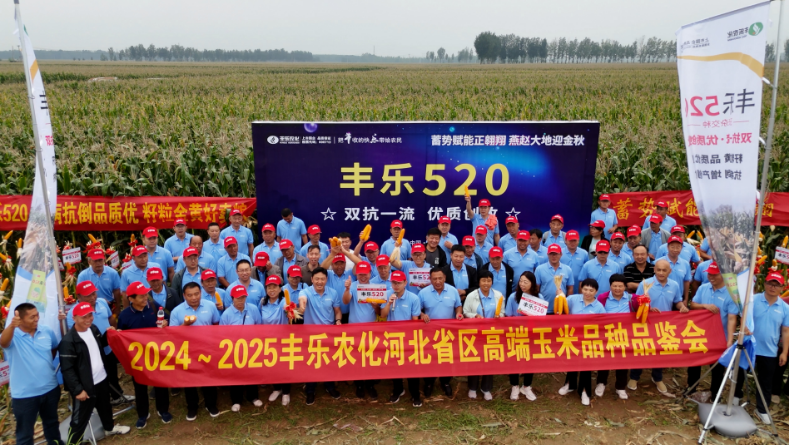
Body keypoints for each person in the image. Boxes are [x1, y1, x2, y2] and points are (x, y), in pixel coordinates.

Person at [60, 303, 130, 443]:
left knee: (105, 407)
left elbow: (101, 343)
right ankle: (73, 442)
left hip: (101, 379)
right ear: (74, 318)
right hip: (85, 386)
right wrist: (78, 389)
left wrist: (109, 334)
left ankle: (109, 428)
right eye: (84, 317)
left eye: (90, 315)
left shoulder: (93, 329)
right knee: (80, 418)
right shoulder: (68, 341)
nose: (88, 319)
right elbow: (67, 369)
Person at [1, 303, 63, 445]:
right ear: (21, 319)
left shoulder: (46, 331)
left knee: (52, 424)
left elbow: (53, 348)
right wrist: (11, 326)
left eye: (37, 315)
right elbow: (3, 343)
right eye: (32, 317)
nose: (37, 319)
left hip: (50, 389)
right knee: (25, 434)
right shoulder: (12, 336)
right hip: (25, 395)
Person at [67, 281, 134, 405]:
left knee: (112, 372)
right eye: (88, 295)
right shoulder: (73, 313)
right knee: (96, 377)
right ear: (79, 297)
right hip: (91, 353)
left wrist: (114, 332)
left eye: (94, 293)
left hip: (108, 348)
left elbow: (110, 318)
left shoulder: (102, 302)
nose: (92, 297)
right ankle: (97, 402)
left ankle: (117, 396)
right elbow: (75, 335)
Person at [628, 259, 688, 396]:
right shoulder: (645, 284)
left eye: (664, 270)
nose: (661, 273)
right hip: (645, 323)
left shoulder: (674, 285)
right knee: (642, 349)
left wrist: (682, 307)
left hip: (664, 325)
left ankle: (657, 377)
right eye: (658, 270)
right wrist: (647, 308)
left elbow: (677, 301)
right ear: (654, 269)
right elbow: (636, 303)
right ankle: (634, 377)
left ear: (669, 271)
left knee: (660, 351)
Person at [117, 282, 172, 429]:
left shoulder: (154, 307)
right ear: (131, 299)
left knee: (160, 383)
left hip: (156, 353)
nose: (145, 298)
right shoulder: (124, 316)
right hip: (137, 357)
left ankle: (163, 410)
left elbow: (168, 319)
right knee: (139, 386)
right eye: (141, 296)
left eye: (145, 294)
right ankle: (143, 414)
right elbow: (121, 335)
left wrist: (166, 322)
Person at [686, 263, 739, 397]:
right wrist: (705, 306)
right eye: (709, 274)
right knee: (694, 363)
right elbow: (693, 305)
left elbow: (732, 318)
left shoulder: (731, 294)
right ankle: (691, 388)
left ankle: (715, 394)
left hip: (719, 336)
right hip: (700, 334)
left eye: (715, 275)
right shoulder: (703, 288)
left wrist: (729, 340)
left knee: (717, 367)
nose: (711, 277)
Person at [170, 282, 221, 420]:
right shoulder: (177, 311)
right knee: (189, 380)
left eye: (196, 294)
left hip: (207, 348)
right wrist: (185, 325)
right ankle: (192, 407)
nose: (194, 298)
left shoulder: (210, 306)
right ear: (184, 295)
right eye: (190, 295)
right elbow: (172, 334)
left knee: (209, 378)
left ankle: (211, 404)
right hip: (187, 350)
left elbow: (216, 324)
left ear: (201, 293)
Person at [748, 272, 789, 424]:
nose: (773, 287)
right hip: (749, 346)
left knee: (766, 382)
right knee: (739, 374)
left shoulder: (785, 308)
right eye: (770, 283)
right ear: (764, 284)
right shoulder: (753, 300)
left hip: (769, 350)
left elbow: (785, 331)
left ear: (782, 288)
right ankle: (736, 398)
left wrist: (784, 352)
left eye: (777, 285)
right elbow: (744, 318)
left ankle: (762, 409)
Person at [557, 279, 606, 406]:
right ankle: (569, 384)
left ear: (596, 291)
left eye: (591, 290)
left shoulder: (599, 307)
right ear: (581, 289)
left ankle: (585, 391)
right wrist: (559, 296)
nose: (587, 292)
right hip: (572, 337)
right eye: (585, 289)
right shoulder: (573, 299)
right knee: (572, 362)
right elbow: (561, 309)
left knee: (585, 365)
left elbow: (603, 325)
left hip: (589, 340)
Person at [298, 267, 342, 405]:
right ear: (312, 279)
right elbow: (302, 299)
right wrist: (302, 306)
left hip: (328, 334)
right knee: (312, 362)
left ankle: (330, 386)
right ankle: (310, 390)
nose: (319, 282)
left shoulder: (333, 293)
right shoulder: (305, 291)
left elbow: (337, 311)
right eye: (317, 279)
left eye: (322, 279)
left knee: (328, 361)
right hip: (311, 335)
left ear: (326, 280)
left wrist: (338, 320)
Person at [380, 270, 423, 405]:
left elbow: (415, 320)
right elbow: (383, 315)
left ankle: (415, 394)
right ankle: (398, 390)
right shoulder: (387, 294)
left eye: (399, 283)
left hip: (408, 337)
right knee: (395, 365)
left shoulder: (413, 298)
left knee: (411, 367)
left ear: (405, 283)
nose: (396, 286)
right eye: (394, 283)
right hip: (392, 336)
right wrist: (388, 303)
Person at [419, 267, 463, 398]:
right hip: (430, 332)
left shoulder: (453, 291)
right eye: (434, 279)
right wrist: (422, 315)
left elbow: (458, 305)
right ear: (430, 279)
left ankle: (445, 381)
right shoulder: (423, 293)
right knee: (430, 358)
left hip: (448, 333)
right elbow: (417, 310)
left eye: (440, 278)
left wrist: (458, 313)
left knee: (447, 357)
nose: (437, 281)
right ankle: (429, 382)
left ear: (444, 278)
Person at [343, 262, 384, 399]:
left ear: (370, 274)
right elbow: (346, 301)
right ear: (356, 274)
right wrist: (347, 289)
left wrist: (375, 306)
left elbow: (379, 311)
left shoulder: (375, 287)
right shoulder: (353, 286)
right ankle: (359, 384)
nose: (363, 277)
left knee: (370, 357)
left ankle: (370, 384)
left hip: (371, 328)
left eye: (365, 274)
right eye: (360, 274)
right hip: (354, 328)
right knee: (357, 357)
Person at [220, 285, 264, 412]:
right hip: (234, 349)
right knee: (235, 375)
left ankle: (253, 397)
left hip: (251, 348)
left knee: (252, 373)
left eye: (243, 297)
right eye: (238, 298)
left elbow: (259, 326)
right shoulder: (226, 314)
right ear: (232, 298)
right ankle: (236, 400)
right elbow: (222, 335)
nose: (241, 301)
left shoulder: (253, 309)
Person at [467, 270, 506, 400]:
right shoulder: (472, 296)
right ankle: (472, 387)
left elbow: (503, 312)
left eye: (489, 281)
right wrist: (475, 316)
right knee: (474, 360)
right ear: (479, 282)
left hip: (492, 333)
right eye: (483, 280)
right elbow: (466, 312)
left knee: (489, 360)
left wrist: (499, 316)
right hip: (476, 334)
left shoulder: (498, 295)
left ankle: (486, 388)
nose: (486, 283)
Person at [595, 274, 633, 399]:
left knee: (623, 360)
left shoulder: (632, 298)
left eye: (620, 286)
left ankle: (620, 387)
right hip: (607, 334)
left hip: (624, 334)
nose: (617, 289)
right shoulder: (603, 297)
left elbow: (643, 310)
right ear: (610, 286)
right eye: (614, 286)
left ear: (625, 287)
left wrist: (650, 306)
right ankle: (601, 383)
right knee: (604, 359)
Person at [504, 271, 540, 401]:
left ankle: (526, 386)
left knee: (530, 360)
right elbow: (508, 316)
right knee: (514, 359)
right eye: (521, 281)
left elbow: (541, 318)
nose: (522, 284)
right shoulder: (513, 297)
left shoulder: (539, 297)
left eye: (526, 282)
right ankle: (514, 386)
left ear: (532, 283)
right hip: (516, 333)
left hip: (532, 335)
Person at [259, 276, 293, 405]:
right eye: (269, 287)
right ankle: (277, 388)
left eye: (275, 287)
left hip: (282, 340)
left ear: (280, 289)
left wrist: (290, 311)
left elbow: (289, 310)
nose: (272, 290)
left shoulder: (284, 301)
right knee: (272, 366)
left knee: (284, 367)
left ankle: (286, 392)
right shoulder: (263, 302)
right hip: (267, 340)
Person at [77, 247, 122, 315]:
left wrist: (118, 307)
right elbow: (80, 294)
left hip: (109, 306)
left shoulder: (112, 273)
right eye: (95, 261)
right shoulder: (83, 276)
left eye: (100, 260)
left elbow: (116, 290)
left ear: (104, 260)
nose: (98, 263)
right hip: (89, 307)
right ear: (89, 262)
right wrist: (100, 301)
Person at [321, 249, 359, 324]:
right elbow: (321, 269)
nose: (339, 266)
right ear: (332, 265)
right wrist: (332, 254)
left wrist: (344, 251)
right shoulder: (328, 274)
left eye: (342, 263)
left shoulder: (350, 273)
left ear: (345, 264)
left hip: (349, 314)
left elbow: (360, 263)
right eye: (336, 264)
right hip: (331, 315)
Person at [535, 244, 575, 314]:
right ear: (547, 254)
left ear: (561, 254)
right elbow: (536, 288)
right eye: (551, 254)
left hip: (561, 308)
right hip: (544, 308)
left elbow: (570, 288)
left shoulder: (567, 269)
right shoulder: (539, 269)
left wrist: (567, 304)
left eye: (556, 254)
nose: (554, 256)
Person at [656, 236, 692, 306]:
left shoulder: (685, 264)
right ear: (667, 247)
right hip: (662, 298)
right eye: (672, 247)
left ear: (681, 248)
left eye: (678, 247)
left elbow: (686, 281)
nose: (675, 250)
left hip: (679, 299)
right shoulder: (658, 262)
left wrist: (686, 299)